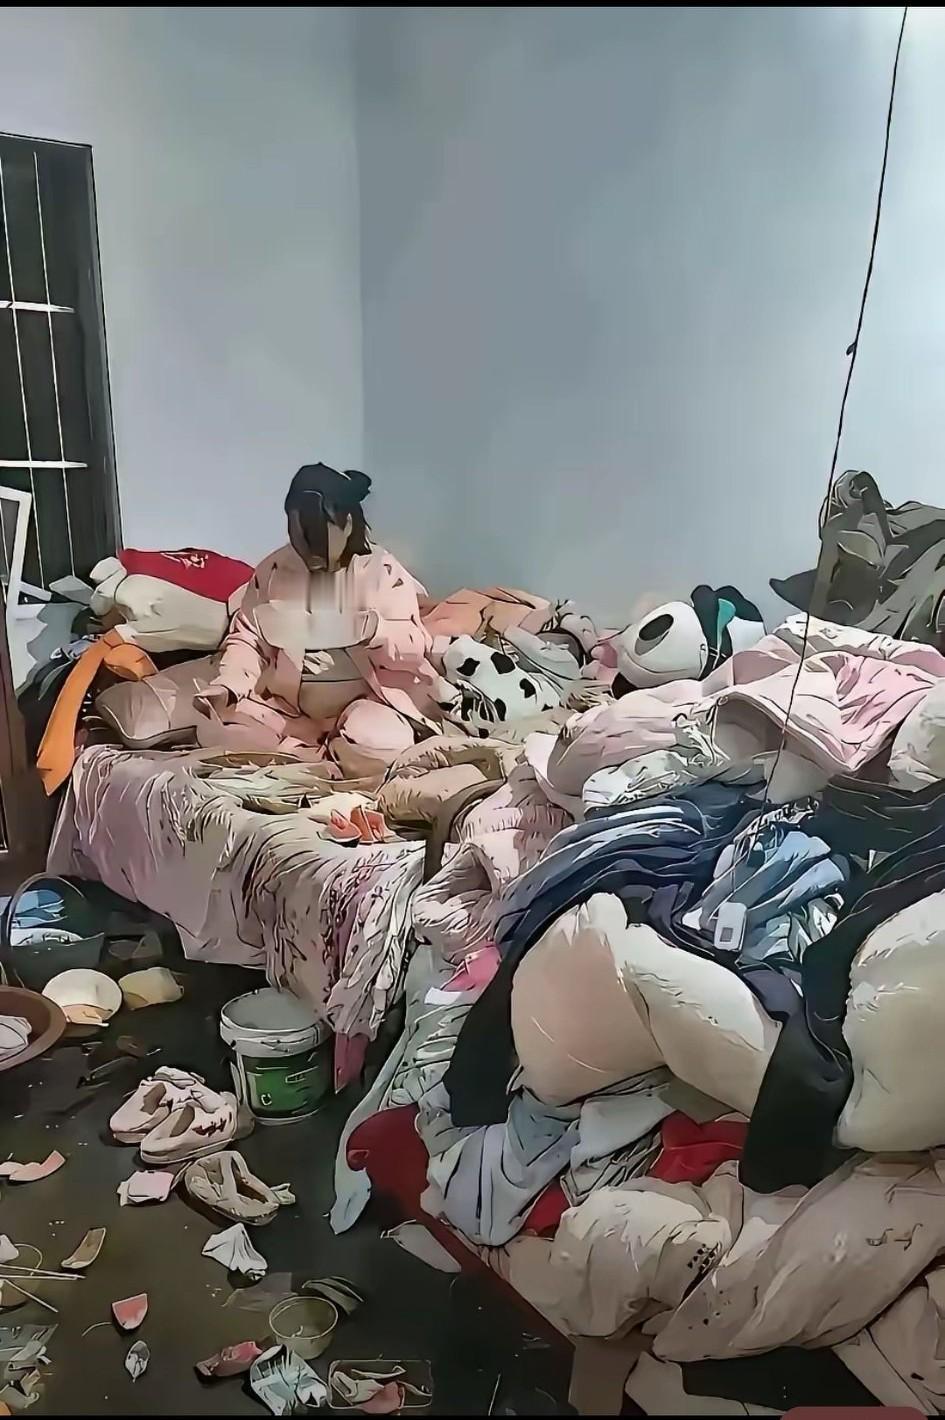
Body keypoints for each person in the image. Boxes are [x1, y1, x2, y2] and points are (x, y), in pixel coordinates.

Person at [194, 463, 437, 759]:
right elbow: (248, 639)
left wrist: (374, 630)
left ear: (347, 524)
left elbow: (415, 646)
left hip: (365, 704)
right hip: (288, 712)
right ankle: (308, 747)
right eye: (301, 540)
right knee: (213, 729)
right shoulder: (274, 569)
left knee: (381, 745)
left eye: (319, 541)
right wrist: (229, 685)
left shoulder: (381, 570)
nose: (311, 554)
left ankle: (327, 749)